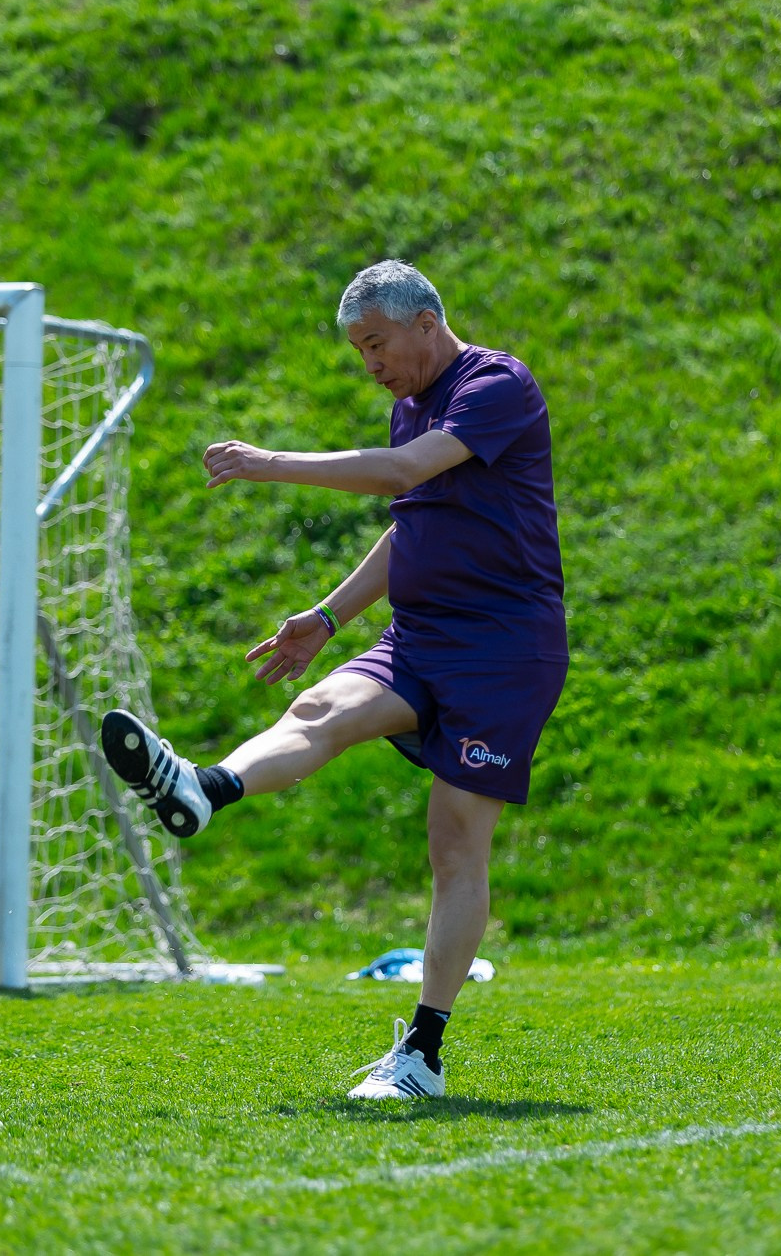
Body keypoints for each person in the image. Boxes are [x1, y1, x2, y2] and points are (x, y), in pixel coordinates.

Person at [101, 260, 568, 1100]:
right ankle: (204, 786)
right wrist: (326, 617)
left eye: (378, 344)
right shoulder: (410, 402)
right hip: (421, 634)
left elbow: (399, 475)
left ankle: (421, 1055)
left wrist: (267, 462)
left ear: (427, 322)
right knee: (320, 708)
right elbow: (408, 526)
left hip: (504, 649)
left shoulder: (495, 383)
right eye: (361, 350)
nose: (372, 365)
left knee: (455, 846)